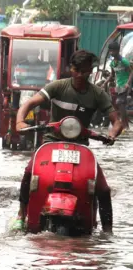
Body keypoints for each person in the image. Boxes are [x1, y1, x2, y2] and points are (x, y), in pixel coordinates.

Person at [12, 50, 123, 233]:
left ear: (91, 71)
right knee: (29, 173)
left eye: (84, 71)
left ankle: (108, 231)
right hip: (51, 142)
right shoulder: (58, 87)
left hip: (81, 147)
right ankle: (21, 214)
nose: (80, 75)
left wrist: (112, 134)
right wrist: (20, 121)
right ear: (71, 69)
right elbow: (28, 104)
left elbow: (116, 120)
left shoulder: (97, 94)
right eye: (76, 70)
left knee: (103, 189)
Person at [103, 41, 133, 130]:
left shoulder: (123, 61)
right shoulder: (112, 63)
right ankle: (126, 124)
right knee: (120, 104)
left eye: (113, 51)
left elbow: (131, 72)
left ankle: (125, 126)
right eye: (110, 51)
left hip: (126, 84)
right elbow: (112, 75)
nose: (112, 53)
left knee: (120, 102)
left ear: (117, 50)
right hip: (119, 85)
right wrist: (105, 82)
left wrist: (128, 83)